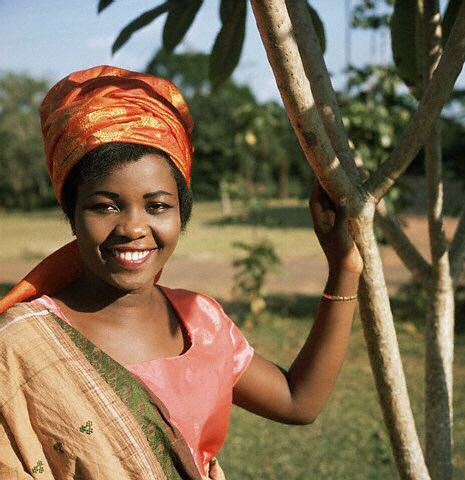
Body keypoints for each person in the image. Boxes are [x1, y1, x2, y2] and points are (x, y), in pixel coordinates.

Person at [0, 65, 363, 480]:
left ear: (181, 214)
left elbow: (298, 402)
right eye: (105, 205)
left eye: (157, 206)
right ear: (72, 214)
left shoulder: (201, 320)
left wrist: (343, 267)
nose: (133, 228)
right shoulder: (19, 346)